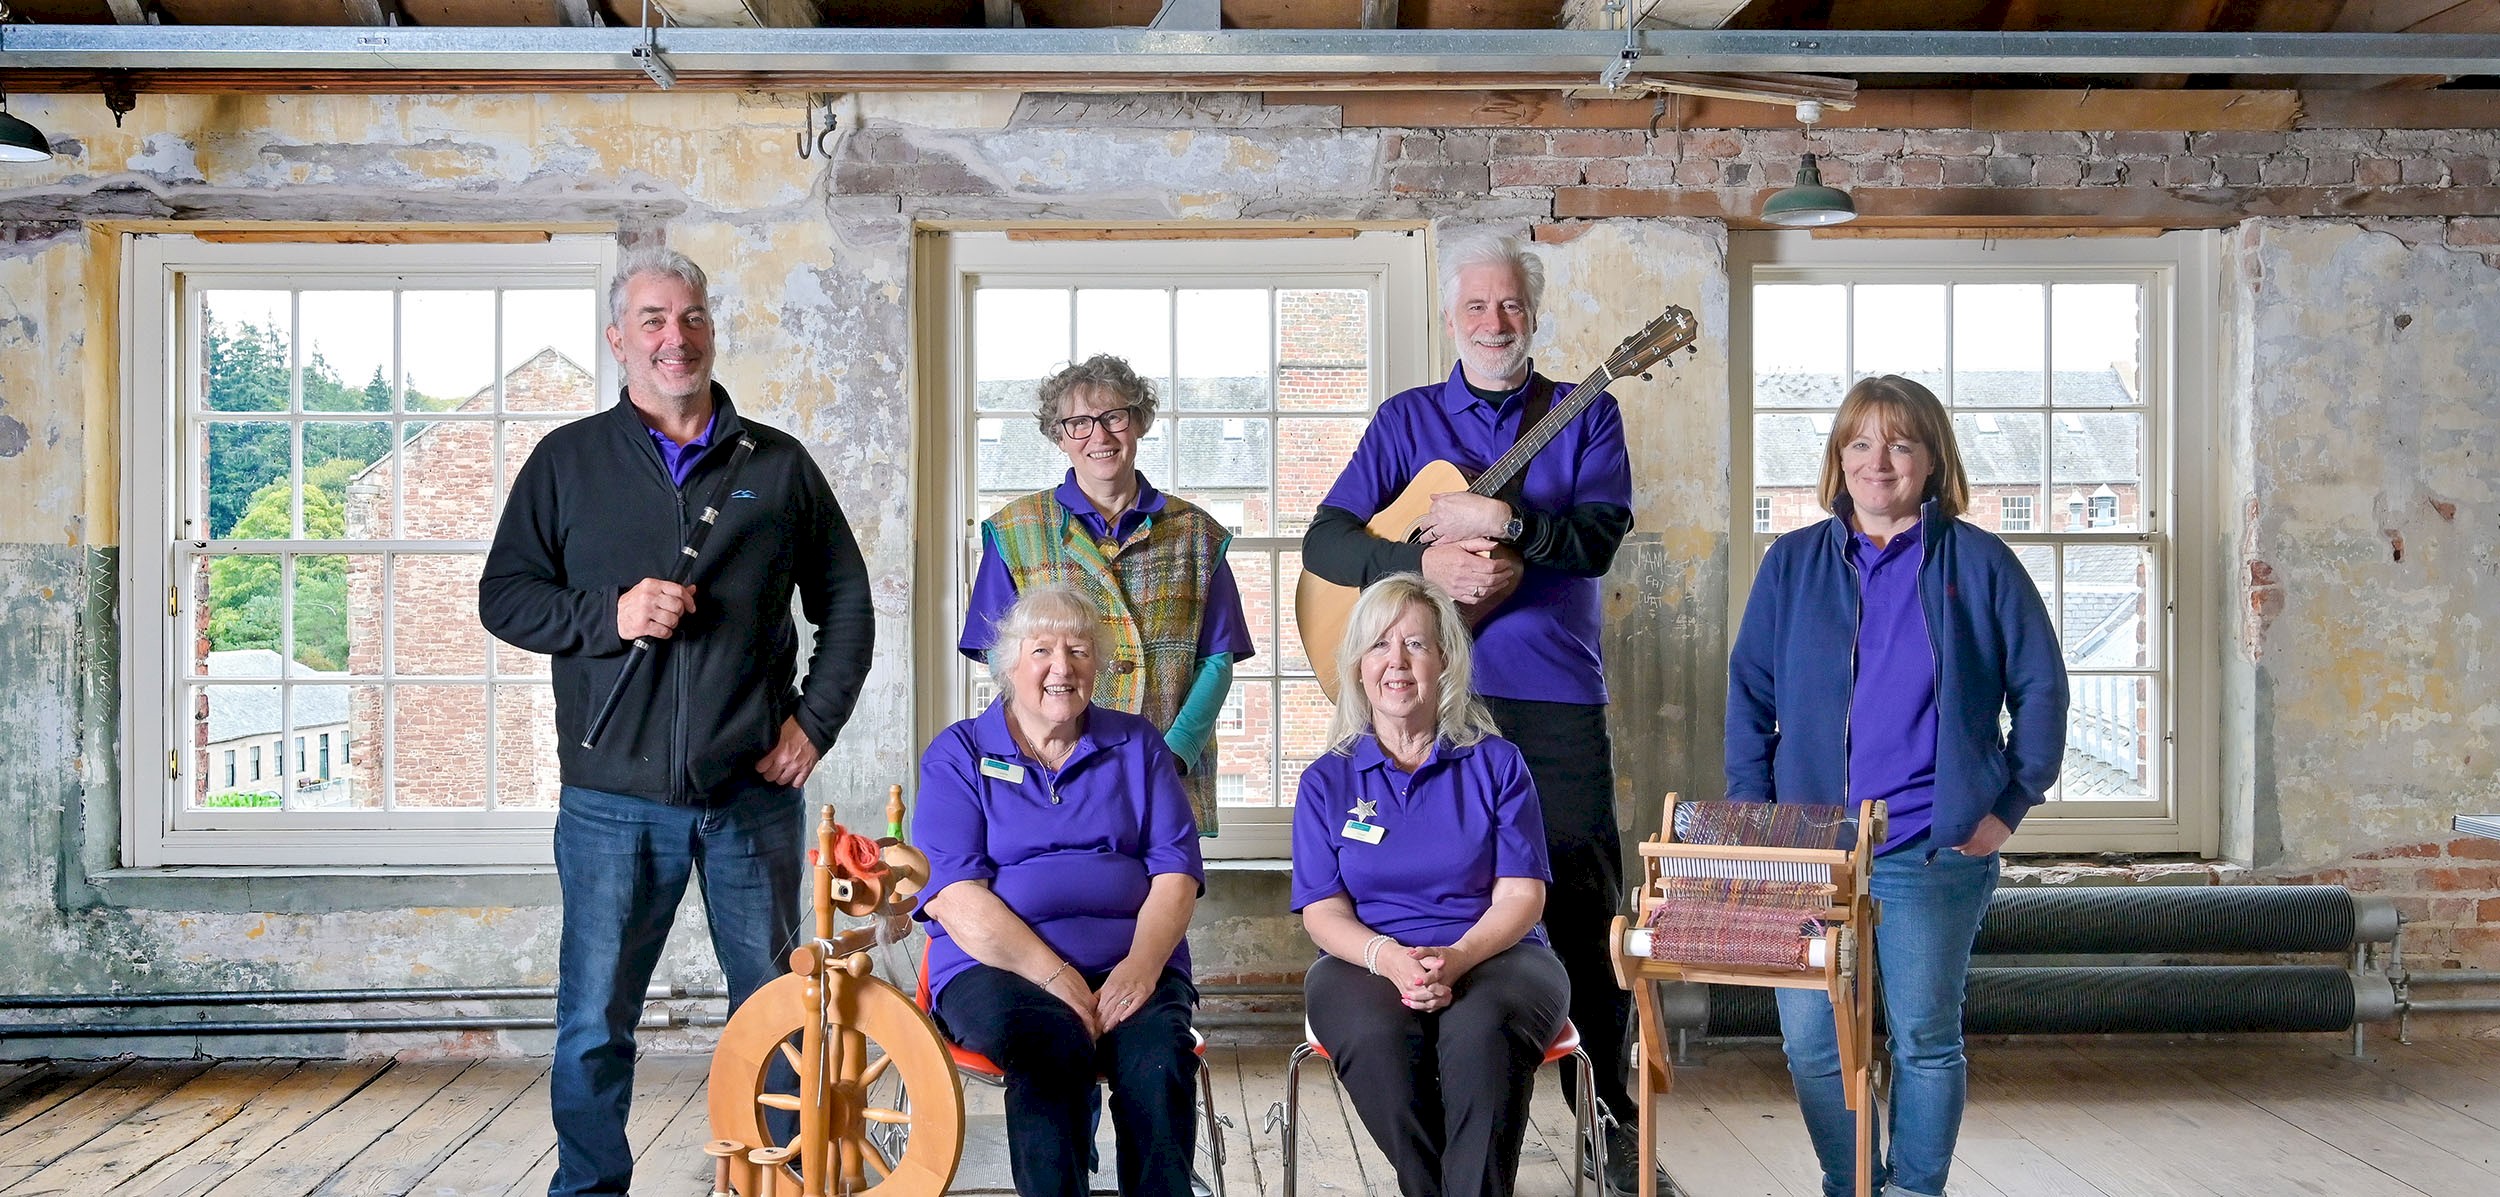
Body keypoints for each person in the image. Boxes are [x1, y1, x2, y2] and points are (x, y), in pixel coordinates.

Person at [477, 248, 875, 1197]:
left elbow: (848, 601)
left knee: (777, 1012)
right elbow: (503, 597)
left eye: (690, 317)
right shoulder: (567, 460)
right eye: (652, 319)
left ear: (710, 328)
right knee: (592, 1024)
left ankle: (781, 1183)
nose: (674, 337)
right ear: (618, 339)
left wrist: (812, 725)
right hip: (610, 801)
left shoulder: (777, 465)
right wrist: (605, 615)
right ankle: (588, 1189)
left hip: (750, 797)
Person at [1301, 230, 1642, 1190]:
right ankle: (1447, 1115)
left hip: (1550, 691)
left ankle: (1607, 1128)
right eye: (1476, 307)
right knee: (1414, 889)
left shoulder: (1587, 413)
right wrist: (1420, 566)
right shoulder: (1405, 420)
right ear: (1450, 318)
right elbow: (1326, 544)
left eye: (1511, 306)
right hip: (1421, 700)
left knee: (1579, 903)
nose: (1494, 322)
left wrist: (1509, 524)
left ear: (1533, 314)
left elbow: (1598, 538)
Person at [1725, 375, 2067, 1197]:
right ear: (1838, 461)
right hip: (1807, 854)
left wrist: (2005, 806)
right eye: (1861, 444)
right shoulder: (1792, 564)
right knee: (1810, 1039)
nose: (1879, 462)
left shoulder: (1979, 562)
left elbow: (2043, 688)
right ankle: (1852, 1185)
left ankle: (1914, 1190)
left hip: (1929, 848)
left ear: (1931, 459)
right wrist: (1757, 827)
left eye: (1901, 443)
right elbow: (1750, 697)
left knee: (1922, 1037)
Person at [918, 585, 1207, 1197]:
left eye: (1078, 650)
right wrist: (1052, 976)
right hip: (996, 968)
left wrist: (1140, 967)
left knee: (1157, 1062)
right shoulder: (960, 753)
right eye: (1041, 650)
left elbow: (1176, 873)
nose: (1061, 667)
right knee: (1051, 1048)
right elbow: (956, 894)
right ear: (1008, 666)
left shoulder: (1137, 745)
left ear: (1096, 666)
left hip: (1134, 964)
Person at [1291, 573, 1567, 1197]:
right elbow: (1322, 911)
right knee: (1375, 1035)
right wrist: (1390, 959)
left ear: (1444, 661)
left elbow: (1522, 896)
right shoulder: (1325, 781)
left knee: (1481, 1033)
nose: (1396, 662)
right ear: (1358, 667)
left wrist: (1460, 956)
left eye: (1415, 644)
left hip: (1499, 954)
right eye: (1379, 646)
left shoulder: (1497, 764)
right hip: (1367, 960)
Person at [961, 353, 1253, 835]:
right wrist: (1056, 741)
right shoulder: (1013, 532)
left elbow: (1217, 662)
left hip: (1168, 773)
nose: (1099, 435)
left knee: (1162, 903)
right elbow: (999, 656)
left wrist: (1170, 755)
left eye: (1114, 416)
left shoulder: (1198, 535)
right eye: (1078, 422)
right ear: (1058, 436)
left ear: (1138, 423)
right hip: (1051, 768)